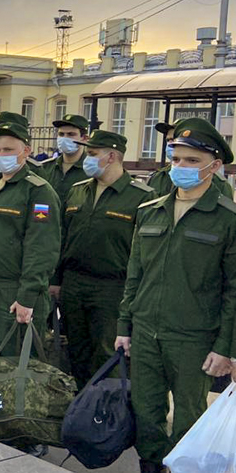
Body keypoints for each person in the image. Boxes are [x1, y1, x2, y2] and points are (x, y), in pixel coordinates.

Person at [116, 118, 236, 473]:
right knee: (147, 413)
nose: (180, 166)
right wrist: (125, 327)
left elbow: (235, 291)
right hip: (147, 331)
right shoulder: (151, 211)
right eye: (176, 158)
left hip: (194, 337)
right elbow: (134, 274)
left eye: (192, 159)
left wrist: (227, 349)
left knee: (188, 416)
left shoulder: (228, 219)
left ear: (214, 166)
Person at [0, 121, 61, 398]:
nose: (0, 155)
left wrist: (28, 295)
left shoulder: (37, 191)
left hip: (13, 292)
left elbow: (42, 248)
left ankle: (17, 428)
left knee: (16, 363)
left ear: (25, 151)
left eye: (8, 149)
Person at [56, 130, 154, 390]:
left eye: (91, 154)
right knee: (77, 349)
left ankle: (107, 413)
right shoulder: (78, 191)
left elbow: (145, 252)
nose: (86, 159)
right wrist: (56, 280)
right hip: (74, 283)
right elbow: (62, 237)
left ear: (111, 156)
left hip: (112, 287)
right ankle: (81, 407)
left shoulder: (141, 197)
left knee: (108, 352)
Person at [148, 121, 232, 198]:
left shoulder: (218, 182)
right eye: (168, 140)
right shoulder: (158, 177)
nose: (171, 144)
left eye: (174, 139)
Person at [41, 114, 89, 204]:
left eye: (71, 134)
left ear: (84, 138)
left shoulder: (91, 169)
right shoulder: (45, 168)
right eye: (61, 134)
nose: (65, 138)